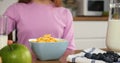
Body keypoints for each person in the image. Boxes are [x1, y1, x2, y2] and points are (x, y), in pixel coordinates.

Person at [5, 0, 76, 63]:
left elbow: (69, 48)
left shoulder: (65, 13)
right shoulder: (15, 9)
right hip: (23, 60)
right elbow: (2, 31)